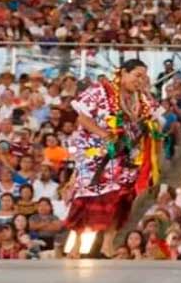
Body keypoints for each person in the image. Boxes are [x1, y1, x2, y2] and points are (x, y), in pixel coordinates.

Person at [64, 60, 162, 258]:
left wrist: (149, 128)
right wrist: (105, 135)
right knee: (87, 198)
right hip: (95, 153)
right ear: (123, 73)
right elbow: (82, 118)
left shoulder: (143, 98)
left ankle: (108, 244)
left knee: (120, 198)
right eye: (137, 75)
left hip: (127, 155)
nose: (140, 80)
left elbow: (155, 120)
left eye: (144, 77)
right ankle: (76, 245)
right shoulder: (100, 91)